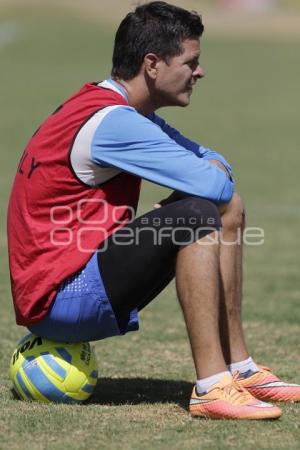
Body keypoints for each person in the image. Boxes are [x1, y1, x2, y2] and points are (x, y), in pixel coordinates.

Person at [7, 1, 299, 419]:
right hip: (60, 298)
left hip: (71, 276)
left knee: (226, 207)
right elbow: (212, 178)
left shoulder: (116, 109)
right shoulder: (115, 123)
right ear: (152, 65)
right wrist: (204, 178)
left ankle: (241, 368)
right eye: (191, 62)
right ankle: (212, 387)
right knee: (197, 212)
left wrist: (208, 174)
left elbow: (215, 164)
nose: (199, 72)